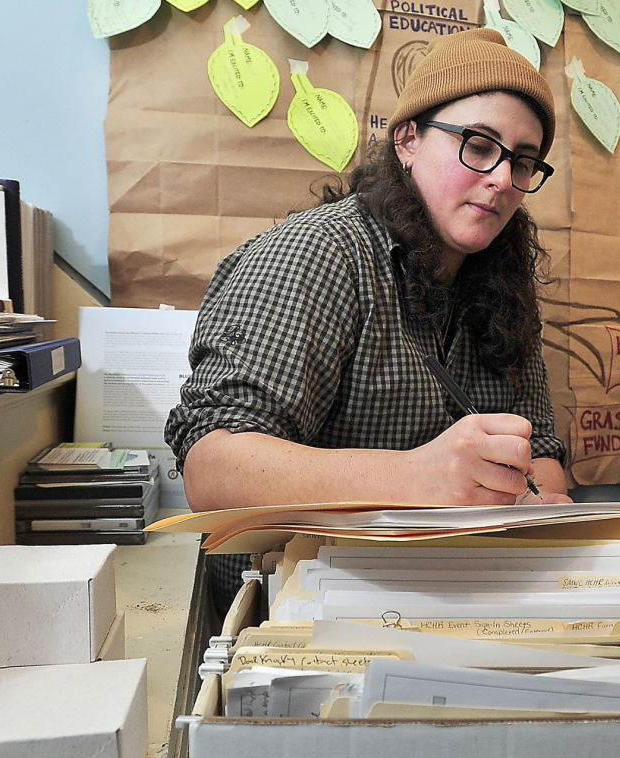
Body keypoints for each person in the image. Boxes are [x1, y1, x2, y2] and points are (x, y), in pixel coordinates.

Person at [165, 28, 570, 612]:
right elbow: (212, 469)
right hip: (303, 611)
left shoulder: (502, 282)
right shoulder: (315, 254)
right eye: (479, 146)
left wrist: (539, 501)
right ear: (408, 140)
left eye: (524, 162)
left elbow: (543, 453)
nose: (503, 180)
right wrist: (415, 479)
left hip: (464, 598)